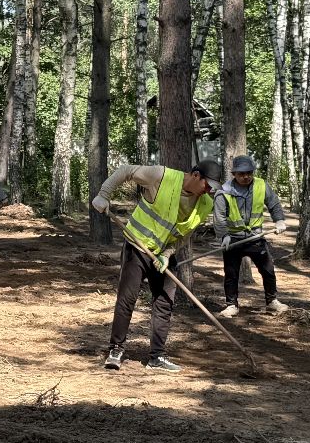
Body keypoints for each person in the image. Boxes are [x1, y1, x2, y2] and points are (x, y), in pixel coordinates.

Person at [92, 159, 223, 373]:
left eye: (212, 188)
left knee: (164, 303)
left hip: (164, 255)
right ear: (196, 175)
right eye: (207, 185)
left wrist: (168, 254)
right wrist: (104, 195)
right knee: (127, 299)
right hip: (138, 245)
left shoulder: (205, 203)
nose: (209, 191)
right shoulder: (162, 176)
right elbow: (126, 171)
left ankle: (157, 357)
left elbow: (185, 236)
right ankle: (116, 349)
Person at [213, 155, 288, 317]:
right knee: (231, 273)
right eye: (241, 174)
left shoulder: (261, 185)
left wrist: (279, 220)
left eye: (249, 173)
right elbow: (219, 216)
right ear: (234, 174)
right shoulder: (223, 191)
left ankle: (272, 301)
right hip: (232, 239)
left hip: (256, 237)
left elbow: (273, 203)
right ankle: (231, 305)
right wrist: (223, 235)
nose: (246, 176)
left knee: (268, 270)